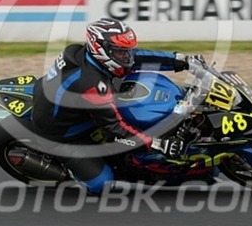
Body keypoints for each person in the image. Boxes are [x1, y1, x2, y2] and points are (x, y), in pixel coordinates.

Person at [30, 17, 201, 194]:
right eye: (121, 52)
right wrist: (157, 144)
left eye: (127, 50)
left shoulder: (84, 54)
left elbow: (138, 57)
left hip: (64, 103)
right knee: (102, 185)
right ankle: (69, 172)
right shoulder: (91, 84)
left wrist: (181, 60)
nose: (127, 56)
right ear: (100, 49)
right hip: (61, 135)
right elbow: (113, 128)